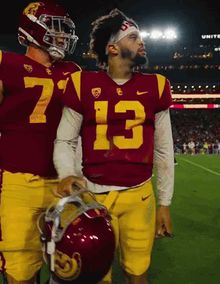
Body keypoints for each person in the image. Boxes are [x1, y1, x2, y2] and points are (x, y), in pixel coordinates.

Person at [53, 8, 175, 284]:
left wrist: (165, 203)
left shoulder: (156, 86)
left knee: (137, 273)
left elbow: (164, 149)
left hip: (139, 196)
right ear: (112, 48)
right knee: (96, 276)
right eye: (133, 37)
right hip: (92, 197)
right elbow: (65, 139)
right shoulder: (82, 83)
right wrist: (67, 173)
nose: (141, 42)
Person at [0, 1, 80, 283]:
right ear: (34, 28)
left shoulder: (73, 71)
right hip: (17, 183)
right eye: (58, 29)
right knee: (20, 271)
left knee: (73, 267)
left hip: (63, 183)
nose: (64, 37)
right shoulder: (5, 64)